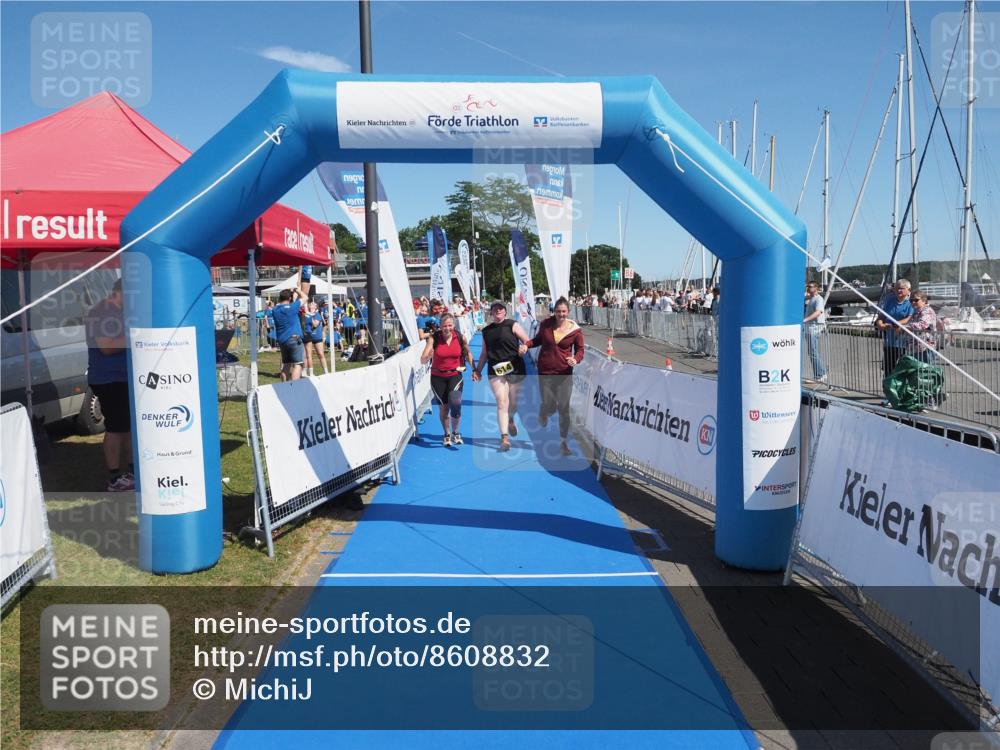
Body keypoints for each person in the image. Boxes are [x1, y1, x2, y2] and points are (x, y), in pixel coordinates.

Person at [85, 278, 134, 491]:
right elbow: (106, 347)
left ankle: (132, 472)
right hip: (109, 379)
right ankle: (115, 478)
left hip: (121, 378)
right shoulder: (101, 312)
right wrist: (137, 337)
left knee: (127, 427)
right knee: (115, 427)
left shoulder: (119, 312)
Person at [524, 297, 585, 456]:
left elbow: (580, 350)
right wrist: (526, 345)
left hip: (564, 373)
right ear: (554, 311)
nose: (561, 314)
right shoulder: (546, 324)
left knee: (564, 408)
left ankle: (563, 443)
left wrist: (575, 359)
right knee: (550, 405)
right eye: (558, 311)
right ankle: (544, 410)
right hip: (545, 371)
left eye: (563, 311)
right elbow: (538, 340)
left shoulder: (575, 331)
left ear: (568, 312)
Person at [474, 301, 531, 452]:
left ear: (505, 311)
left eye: (500, 309)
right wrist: (478, 370)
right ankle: (504, 438)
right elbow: (484, 353)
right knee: (501, 402)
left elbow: (527, 340)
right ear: (491, 313)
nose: (498, 311)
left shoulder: (512, 325)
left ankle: (510, 419)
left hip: (515, 367)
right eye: (495, 309)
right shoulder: (486, 331)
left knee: (514, 402)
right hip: (495, 369)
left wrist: (524, 347)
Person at [421, 312, 475, 447]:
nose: (447, 328)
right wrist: (429, 356)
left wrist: (475, 369)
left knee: (455, 403)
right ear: (440, 326)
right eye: (444, 326)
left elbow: (468, 353)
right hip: (437, 377)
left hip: (455, 375)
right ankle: (447, 434)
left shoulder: (460, 337)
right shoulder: (434, 338)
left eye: (450, 325)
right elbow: (422, 359)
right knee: (444, 408)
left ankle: (456, 432)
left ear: (454, 325)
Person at [905, 290, 945, 409]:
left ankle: (932, 399)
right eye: (911, 300)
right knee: (919, 374)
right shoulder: (916, 312)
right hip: (916, 348)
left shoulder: (927, 311)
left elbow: (923, 324)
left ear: (923, 300)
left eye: (916, 300)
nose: (913, 302)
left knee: (927, 374)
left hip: (926, 347)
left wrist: (905, 326)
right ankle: (922, 399)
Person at [875, 279, 913, 380]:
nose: (899, 291)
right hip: (889, 342)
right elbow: (881, 316)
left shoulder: (910, 303)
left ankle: (902, 387)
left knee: (904, 369)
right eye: (897, 288)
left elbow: (909, 318)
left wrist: (895, 324)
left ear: (908, 290)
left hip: (905, 342)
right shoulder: (889, 301)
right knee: (888, 368)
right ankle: (888, 386)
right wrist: (880, 323)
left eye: (902, 288)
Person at [272, 287, 306, 381]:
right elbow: (305, 297)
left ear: (280, 298)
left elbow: (282, 304)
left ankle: (284, 386)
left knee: (286, 365)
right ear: (290, 298)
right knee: (298, 364)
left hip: (282, 340)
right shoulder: (292, 308)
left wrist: (291, 295)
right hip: (294, 339)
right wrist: (297, 290)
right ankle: (294, 387)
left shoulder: (275, 310)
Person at [803, 281, 827, 383]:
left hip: (814, 329)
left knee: (813, 352)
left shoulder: (818, 299)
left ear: (816, 288)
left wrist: (805, 320)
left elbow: (818, 312)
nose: (808, 288)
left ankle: (820, 375)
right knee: (812, 352)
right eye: (807, 286)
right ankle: (820, 373)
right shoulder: (810, 299)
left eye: (810, 286)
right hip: (809, 329)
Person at [303, 300, 329, 376]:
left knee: (321, 354)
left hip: (317, 336)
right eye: (311, 303)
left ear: (315, 307)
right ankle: (307, 372)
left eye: (313, 304)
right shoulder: (306, 314)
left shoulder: (317, 314)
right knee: (307, 355)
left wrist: (311, 315)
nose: (311, 304)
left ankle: (326, 371)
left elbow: (315, 325)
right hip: (308, 336)